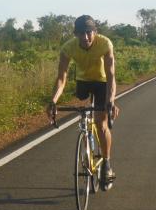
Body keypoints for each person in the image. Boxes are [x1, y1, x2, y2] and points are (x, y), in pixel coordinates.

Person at [46, 14, 120, 187]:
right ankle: (86, 131)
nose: (85, 37)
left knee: (101, 124)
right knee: (83, 105)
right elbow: (61, 78)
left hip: (102, 82)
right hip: (83, 82)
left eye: (89, 32)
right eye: (81, 33)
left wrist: (111, 101)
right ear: (75, 34)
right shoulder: (68, 48)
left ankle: (106, 163)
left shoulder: (105, 43)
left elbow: (111, 76)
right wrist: (53, 101)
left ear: (95, 31)